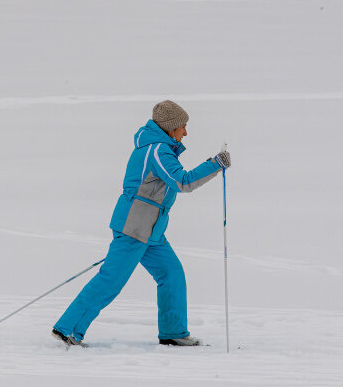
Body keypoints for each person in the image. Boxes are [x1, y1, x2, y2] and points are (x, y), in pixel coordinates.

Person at [52, 100, 231, 347]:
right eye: (183, 127)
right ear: (171, 128)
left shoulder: (160, 149)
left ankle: (173, 333)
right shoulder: (157, 151)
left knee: (172, 274)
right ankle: (68, 329)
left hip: (151, 232)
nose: (186, 133)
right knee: (110, 281)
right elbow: (182, 182)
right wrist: (215, 165)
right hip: (133, 229)